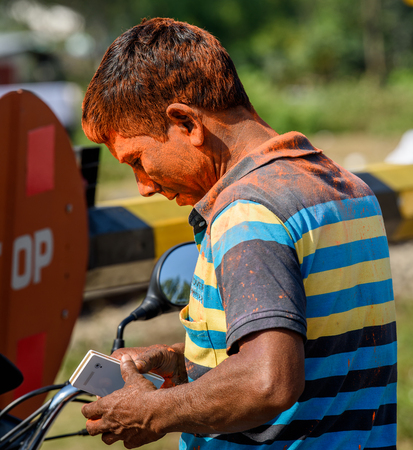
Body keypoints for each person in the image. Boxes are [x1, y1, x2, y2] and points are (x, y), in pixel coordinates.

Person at [81, 17, 397, 450]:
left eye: (137, 159)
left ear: (187, 124)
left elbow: (269, 381)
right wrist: (181, 364)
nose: (144, 185)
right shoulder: (344, 187)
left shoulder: (247, 213)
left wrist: (153, 411)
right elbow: (318, 347)